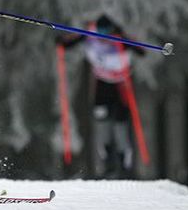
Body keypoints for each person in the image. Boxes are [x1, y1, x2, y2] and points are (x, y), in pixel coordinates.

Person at [56, 14, 145, 178]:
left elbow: (141, 51)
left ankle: (124, 164)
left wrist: (125, 40)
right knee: (102, 123)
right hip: (102, 85)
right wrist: (62, 42)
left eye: (107, 32)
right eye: (100, 31)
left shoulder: (119, 37)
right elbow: (69, 42)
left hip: (121, 85)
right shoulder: (90, 34)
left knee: (120, 125)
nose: (103, 36)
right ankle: (107, 164)